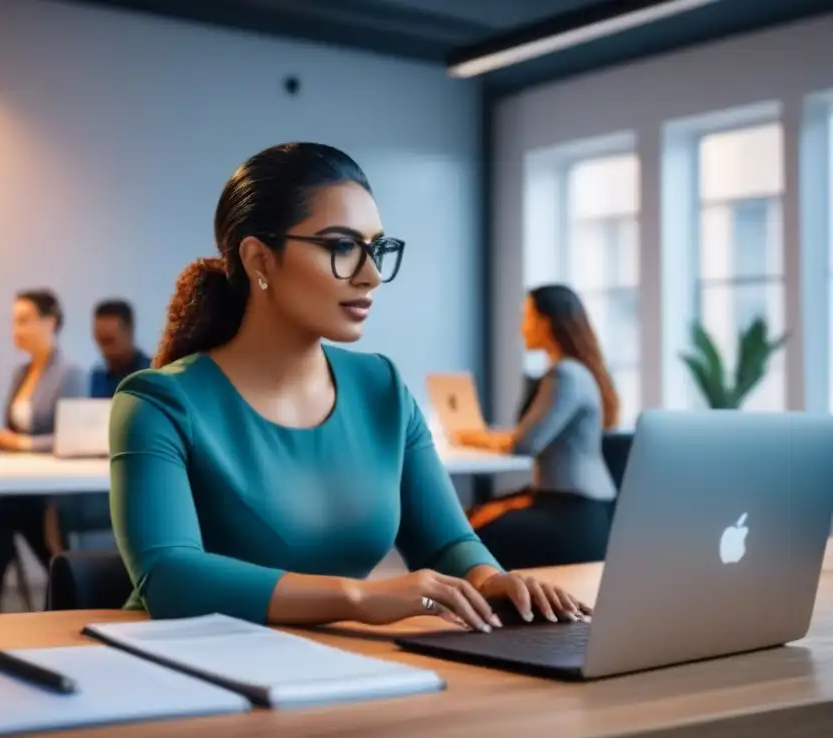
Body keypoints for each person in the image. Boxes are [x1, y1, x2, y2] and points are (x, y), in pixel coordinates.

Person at [110, 142, 588, 631]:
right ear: (259, 260)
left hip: (336, 663)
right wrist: (359, 598)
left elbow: (446, 543)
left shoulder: (381, 386)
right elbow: (170, 578)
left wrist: (490, 581)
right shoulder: (157, 402)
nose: (372, 275)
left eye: (375, 247)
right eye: (341, 246)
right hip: (187, 669)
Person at [452, 284, 619, 570]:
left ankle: (454, 606)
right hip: (571, 504)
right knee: (469, 519)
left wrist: (477, 438)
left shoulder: (565, 374)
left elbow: (524, 443)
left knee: (465, 536)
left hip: (572, 513)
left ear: (546, 321)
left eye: (526, 317)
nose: (522, 328)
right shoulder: (576, 371)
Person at [0, 289, 84, 614]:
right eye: (15, 321)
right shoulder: (21, 374)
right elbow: (14, 430)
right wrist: (7, 441)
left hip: (53, 489)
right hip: (23, 484)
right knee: (8, 506)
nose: (17, 329)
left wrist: (23, 444)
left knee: (7, 508)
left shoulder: (70, 373)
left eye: (24, 320)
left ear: (50, 322)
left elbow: (72, 436)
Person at [55, 299, 151, 547]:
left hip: (140, 473)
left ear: (129, 332)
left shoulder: (154, 375)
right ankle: (72, 575)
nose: (103, 349)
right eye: (98, 340)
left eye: (109, 340)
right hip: (100, 470)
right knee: (54, 503)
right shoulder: (97, 376)